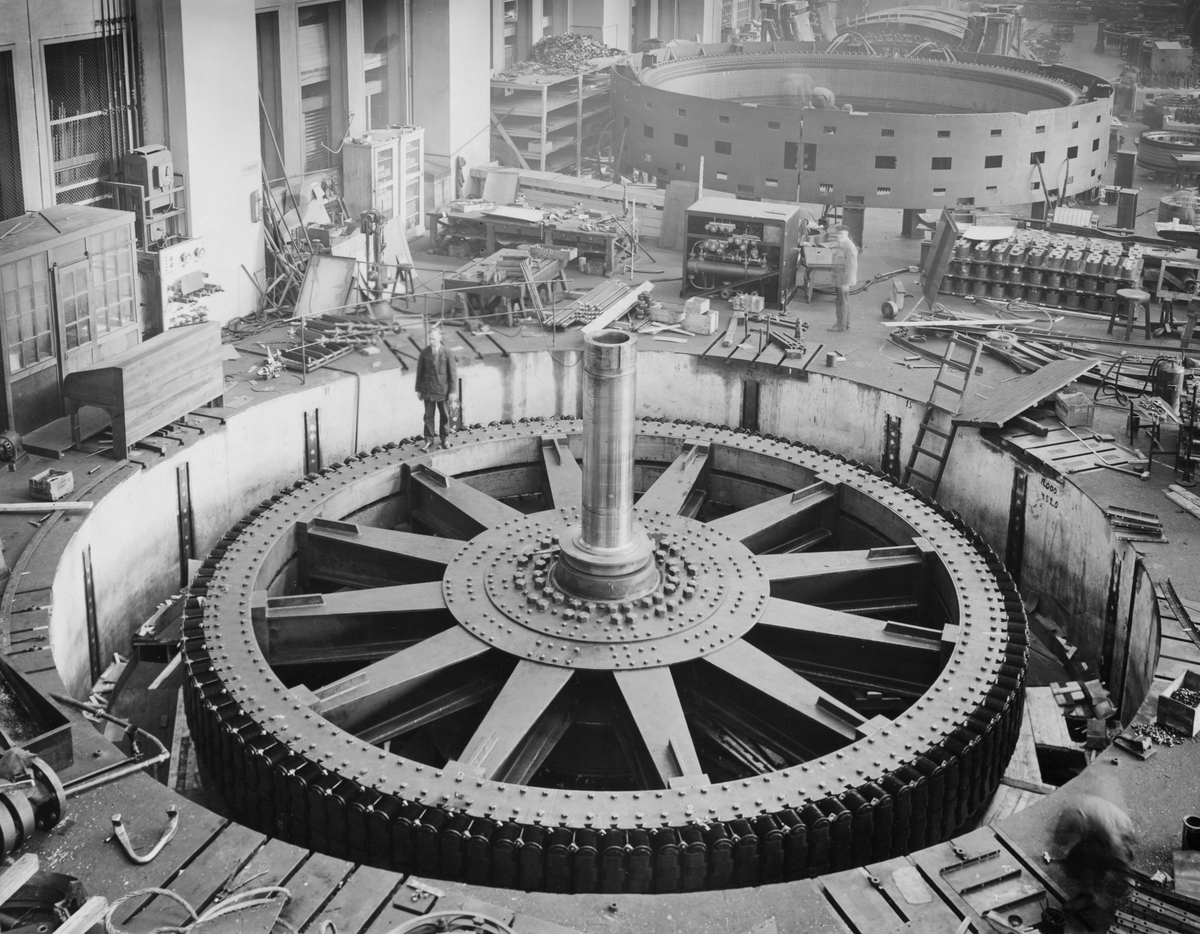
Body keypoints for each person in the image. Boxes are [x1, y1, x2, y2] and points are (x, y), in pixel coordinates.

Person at [1049, 794, 1136, 915]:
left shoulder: (1103, 825)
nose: (1078, 833)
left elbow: (1118, 850)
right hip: (1102, 832)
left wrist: (1124, 873)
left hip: (1122, 836)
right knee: (1075, 860)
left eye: (1078, 830)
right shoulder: (1073, 812)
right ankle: (1089, 886)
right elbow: (1060, 836)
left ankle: (1092, 897)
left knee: (1090, 857)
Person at [415, 326, 458, 451]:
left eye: (433, 339)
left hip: (442, 391)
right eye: (430, 339)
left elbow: (453, 373)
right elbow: (420, 372)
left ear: (440, 337)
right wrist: (418, 389)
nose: (431, 341)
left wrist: (452, 391)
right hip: (428, 390)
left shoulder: (447, 352)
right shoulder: (425, 353)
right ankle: (428, 440)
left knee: (444, 416)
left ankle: (445, 439)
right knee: (428, 417)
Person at [828, 224, 858, 332]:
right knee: (843, 301)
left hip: (843, 280)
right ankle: (845, 323)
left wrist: (846, 283)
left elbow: (851, 267)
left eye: (840, 234)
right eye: (837, 234)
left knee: (842, 302)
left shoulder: (849, 247)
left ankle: (840, 325)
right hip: (839, 278)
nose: (838, 236)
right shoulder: (842, 244)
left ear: (846, 233)